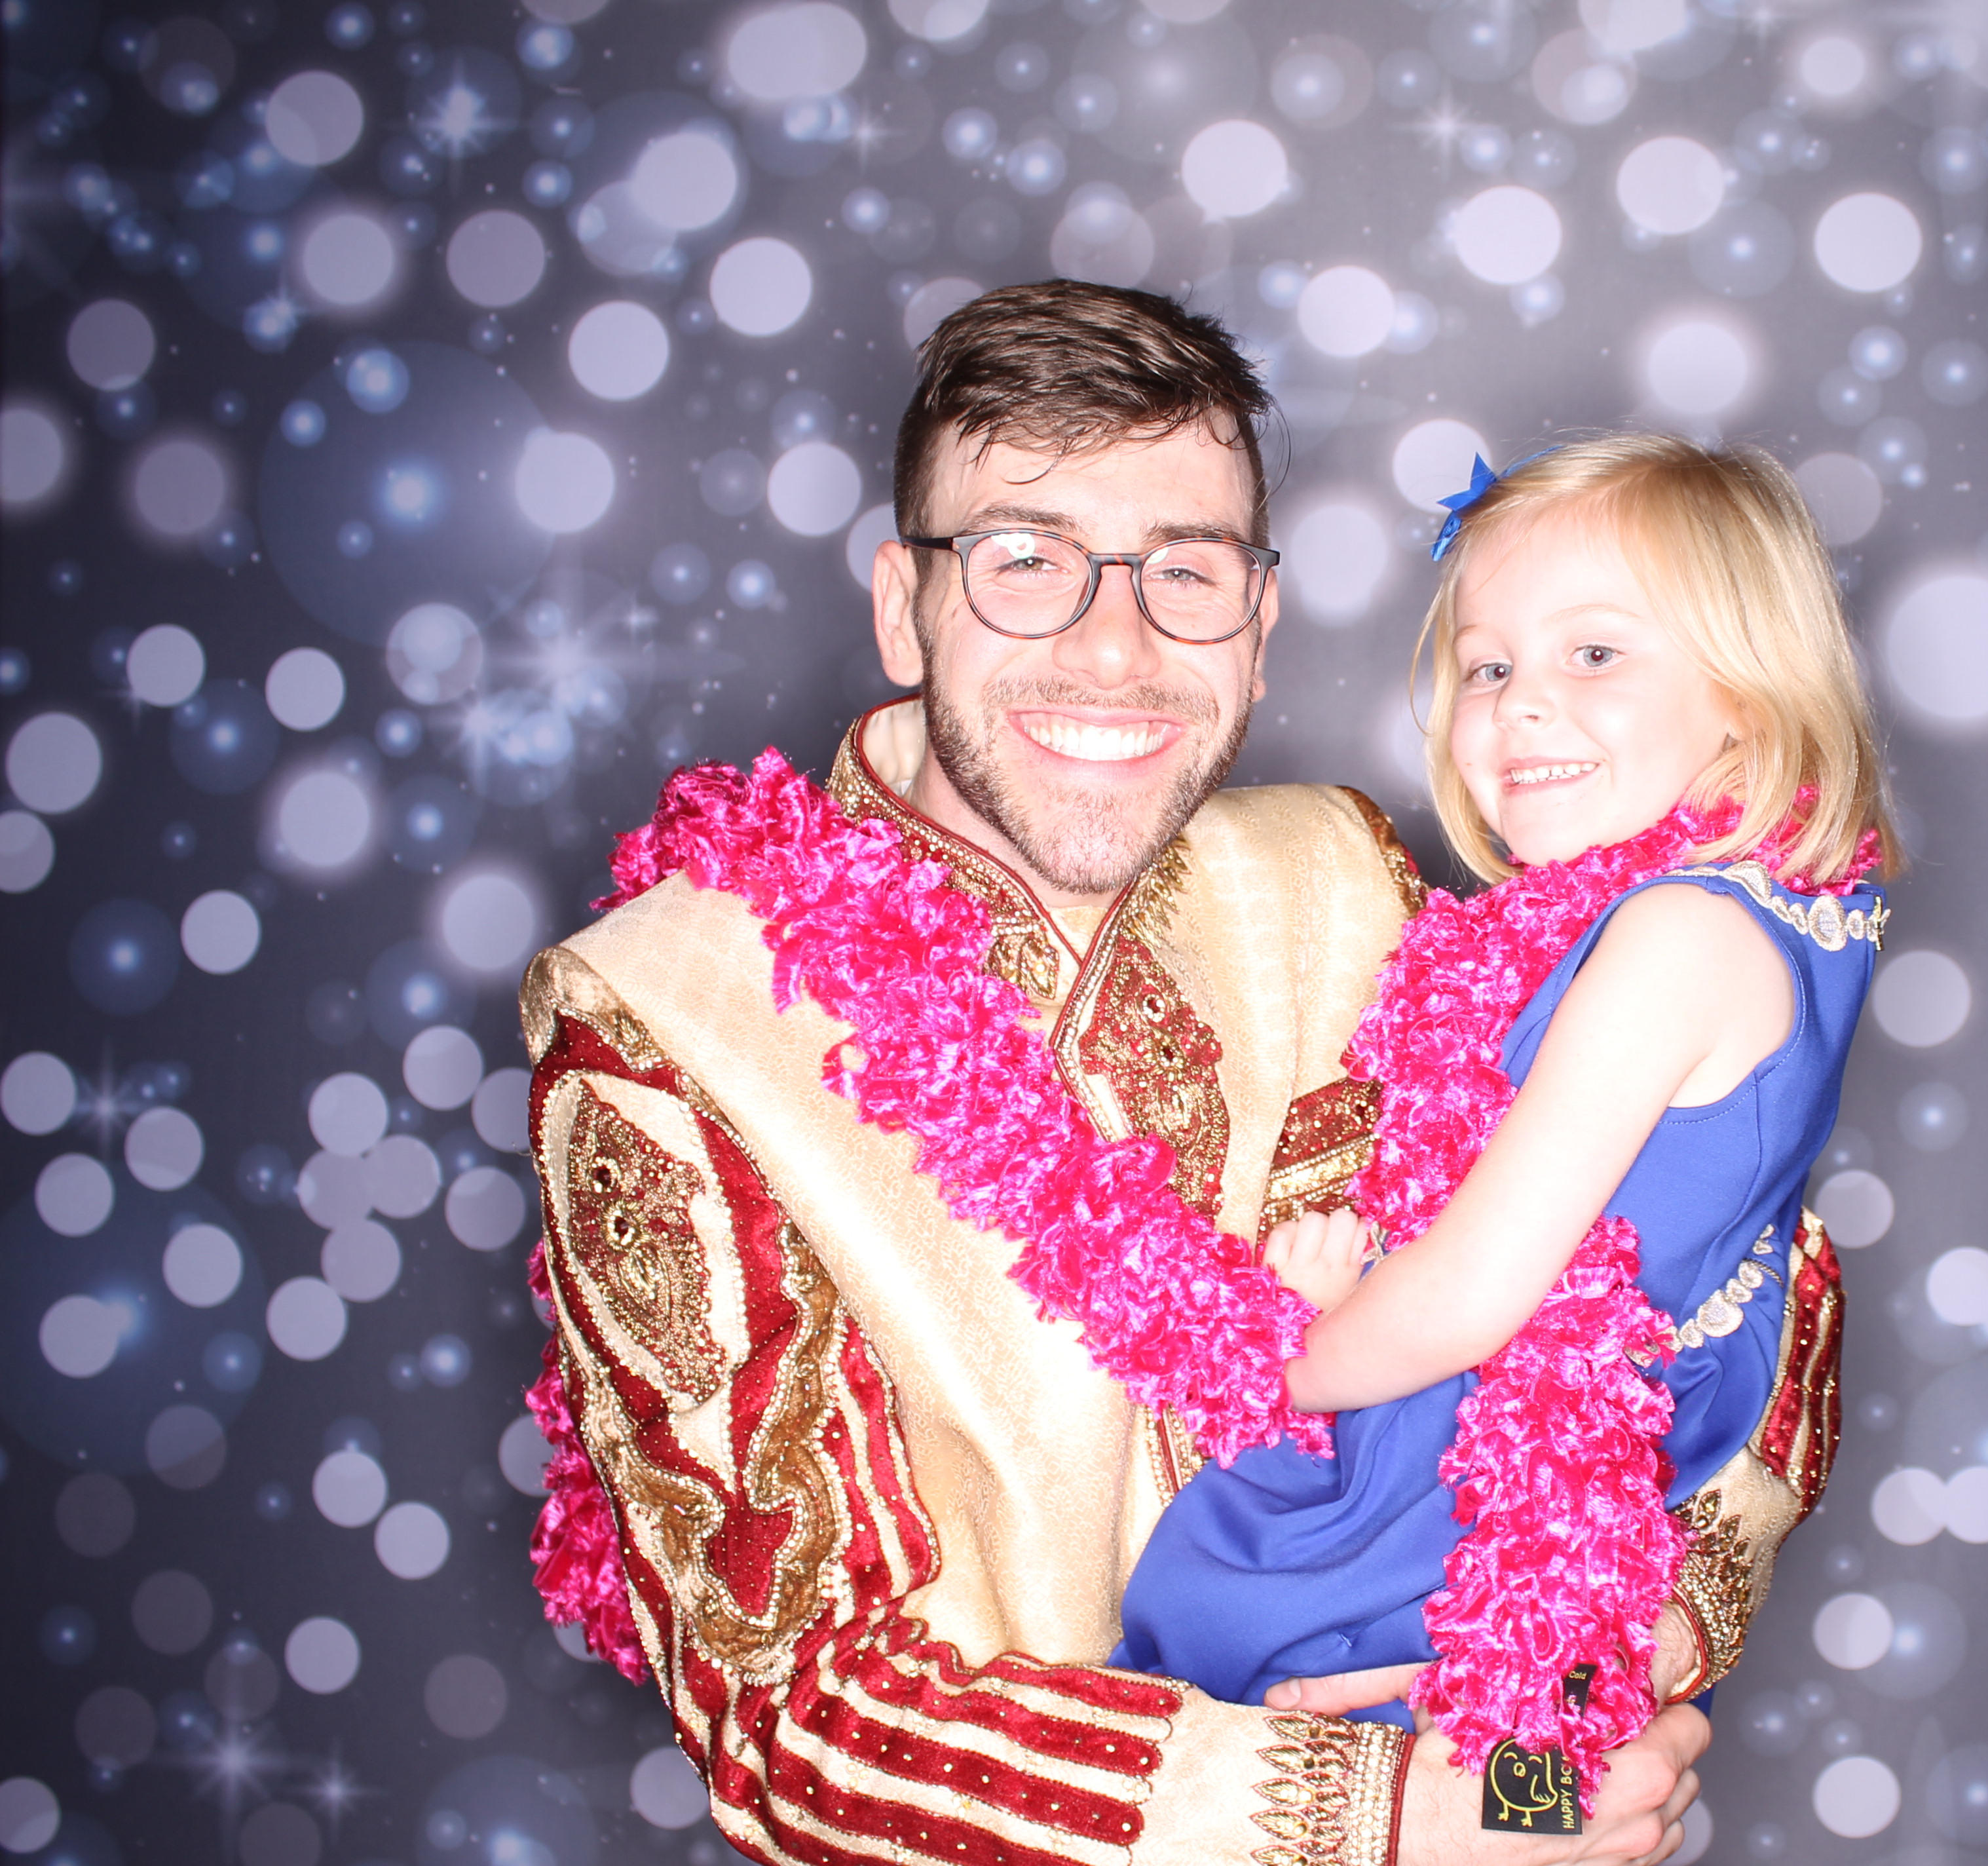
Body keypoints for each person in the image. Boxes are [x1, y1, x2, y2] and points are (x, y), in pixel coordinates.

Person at [516, 281, 1841, 1866]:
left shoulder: (1344, 878)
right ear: (901, 605)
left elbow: (1748, 1258)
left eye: (1185, 573)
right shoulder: (667, 1018)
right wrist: (1376, 1817)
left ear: (1261, 627)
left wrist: (1624, 1647)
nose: (1112, 643)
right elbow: (793, 1709)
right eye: (1024, 559)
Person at [1114, 437, 1893, 1793]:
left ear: (1750, 696)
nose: (1522, 705)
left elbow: (1474, 1290)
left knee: (1239, 1636)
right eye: (1489, 665)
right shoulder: (1734, 917)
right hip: (1566, 1457)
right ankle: (1530, 1801)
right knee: (1530, 1769)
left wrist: (1265, 1361)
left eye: (1595, 655)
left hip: (1498, 1469)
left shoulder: (1672, 937)